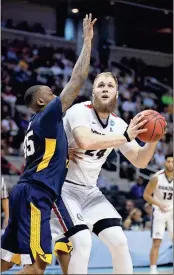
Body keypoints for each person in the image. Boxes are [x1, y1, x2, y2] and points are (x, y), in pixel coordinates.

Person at [1, 13, 97, 275]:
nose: (56, 95)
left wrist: (67, 151)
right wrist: (87, 43)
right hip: (36, 194)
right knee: (38, 266)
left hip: (26, 189)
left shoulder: (35, 123)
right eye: (51, 94)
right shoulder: (46, 115)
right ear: (42, 102)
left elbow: (50, 151)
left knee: (7, 259)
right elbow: (77, 82)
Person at [50, 71, 164, 274]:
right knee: (83, 242)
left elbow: (140, 160)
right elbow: (85, 140)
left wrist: (153, 140)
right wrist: (125, 136)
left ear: (117, 94)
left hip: (90, 192)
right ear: (93, 91)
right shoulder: (79, 111)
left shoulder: (118, 124)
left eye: (110, 86)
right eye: (100, 85)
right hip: (63, 189)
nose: (105, 88)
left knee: (120, 242)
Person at [143, 154, 173, 274]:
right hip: (159, 211)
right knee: (157, 241)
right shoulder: (156, 177)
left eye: (172, 162)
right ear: (164, 163)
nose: (170, 164)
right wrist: (158, 204)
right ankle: (153, 270)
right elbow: (146, 195)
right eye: (168, 161)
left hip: (172, 210)